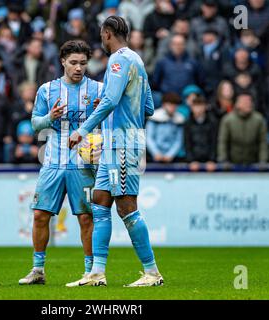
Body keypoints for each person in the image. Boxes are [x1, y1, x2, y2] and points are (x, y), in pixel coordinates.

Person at [69, 16, 163, 287]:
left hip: (122, 144)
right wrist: (122, 110)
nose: (101, 37)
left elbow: (110, 100)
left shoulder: (118, 60)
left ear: (108, 33)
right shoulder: (138, 60)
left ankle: (152, 272)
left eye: (101, 33)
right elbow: (148, 107)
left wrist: (82, 130)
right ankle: (97, 273)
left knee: (126, 207)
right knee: (99, 202)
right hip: (118, 142)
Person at [18, 40, 103, 287]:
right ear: (63, 61)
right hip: (53, 162)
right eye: (74, 63)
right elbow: (35, 124)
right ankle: (38, 270)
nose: (78, 68)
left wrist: (102, 114)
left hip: (83, 164)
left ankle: (91, 272)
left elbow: (111, 121)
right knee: (40, 215)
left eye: (83, 63)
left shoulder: (98, 90)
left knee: (86, 218)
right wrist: (49, 117)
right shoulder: (47, 90)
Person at [217, 93, 268, 165]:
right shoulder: (228, 120)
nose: (249, 104)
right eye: (245, 102)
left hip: (253, 163)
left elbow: (263, 142)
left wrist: (263, 160)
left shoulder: (259, 119)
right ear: (237, 104)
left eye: (250, 102)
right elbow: (223, 141)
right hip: (233, 163)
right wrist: (223, 159)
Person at [146, 92, 185, 163]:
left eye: (175, 105)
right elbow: (149, 138)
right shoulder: (154, 118)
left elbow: (178, 140)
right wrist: (156, 153)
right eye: (170, 104)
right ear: (164, 105)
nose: (172, 107)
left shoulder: (179, 120)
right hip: (153, 157)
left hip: (172, 158)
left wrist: (170, 155)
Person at [184, 96, 218, 172]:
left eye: (200, 106)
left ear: (205, 107)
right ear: (191, 108)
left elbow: (214, 142)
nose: (198, 109)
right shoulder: (188, 123)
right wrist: (191, 161)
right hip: (194, 162)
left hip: (209, 162)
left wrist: (212, 160)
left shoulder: (212, 122)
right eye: (196, 106)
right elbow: (187, 143)